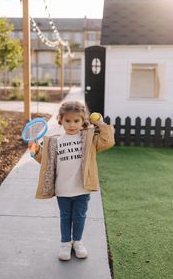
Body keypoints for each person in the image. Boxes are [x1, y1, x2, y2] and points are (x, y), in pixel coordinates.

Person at [29, 101, 115, 261]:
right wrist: (35, 151)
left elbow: (107, 141)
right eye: (67, 120)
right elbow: (46, 161)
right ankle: (65, 244)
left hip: (82, 188)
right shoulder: (54, 141)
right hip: (63, 189)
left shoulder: (88, 139)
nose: (72, 125)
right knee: (65, 216)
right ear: (60, 120)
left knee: (80, 216)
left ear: (83, 121)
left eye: (77, 121)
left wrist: (100, 124)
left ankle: (78, 242)